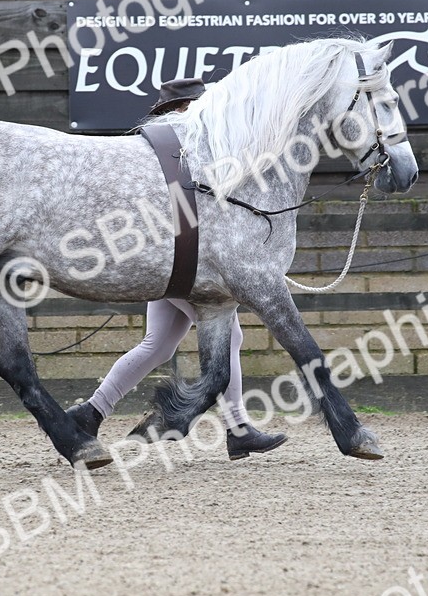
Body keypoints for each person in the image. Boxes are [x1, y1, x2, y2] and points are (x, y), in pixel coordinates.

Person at [66, 79, 287, 461]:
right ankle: (238, 429)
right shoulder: (170, 146)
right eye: (192, 107)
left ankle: (91, 413)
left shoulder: (178, 147)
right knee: (228, 337)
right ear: (179, 109)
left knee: (158, 345)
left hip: (179, 258)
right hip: (177, 260)